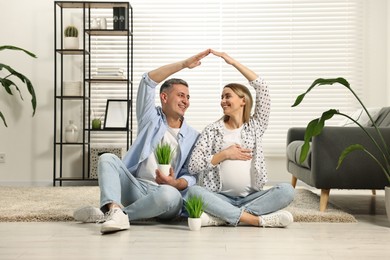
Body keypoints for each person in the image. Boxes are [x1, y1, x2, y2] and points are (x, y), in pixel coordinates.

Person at [74, 49, 211, 234]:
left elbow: (191, 175)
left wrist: (174, 183)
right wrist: (184, 64)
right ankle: (115, 211)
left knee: (169, 195)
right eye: (180, 95)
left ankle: (113, 214)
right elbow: (148, 81)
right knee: (107, 158)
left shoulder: (194, 136)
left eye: (187, 97)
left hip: (165, 194)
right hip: (136, 186)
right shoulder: (150, 118)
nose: (185, 101)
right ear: (164, 97)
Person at [187, 50, 295, 228]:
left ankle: (222, 217)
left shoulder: (255, 126)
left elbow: (262, 88)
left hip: (251, 197)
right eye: (221, 97)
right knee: (194, 193)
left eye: (227, 96)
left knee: (287, 191)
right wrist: (224, 154)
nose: (222, 101)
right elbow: (194, 166)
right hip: (219, 196)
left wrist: (232, 62)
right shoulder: (211, 130)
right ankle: (254, 219)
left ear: (243, 100)